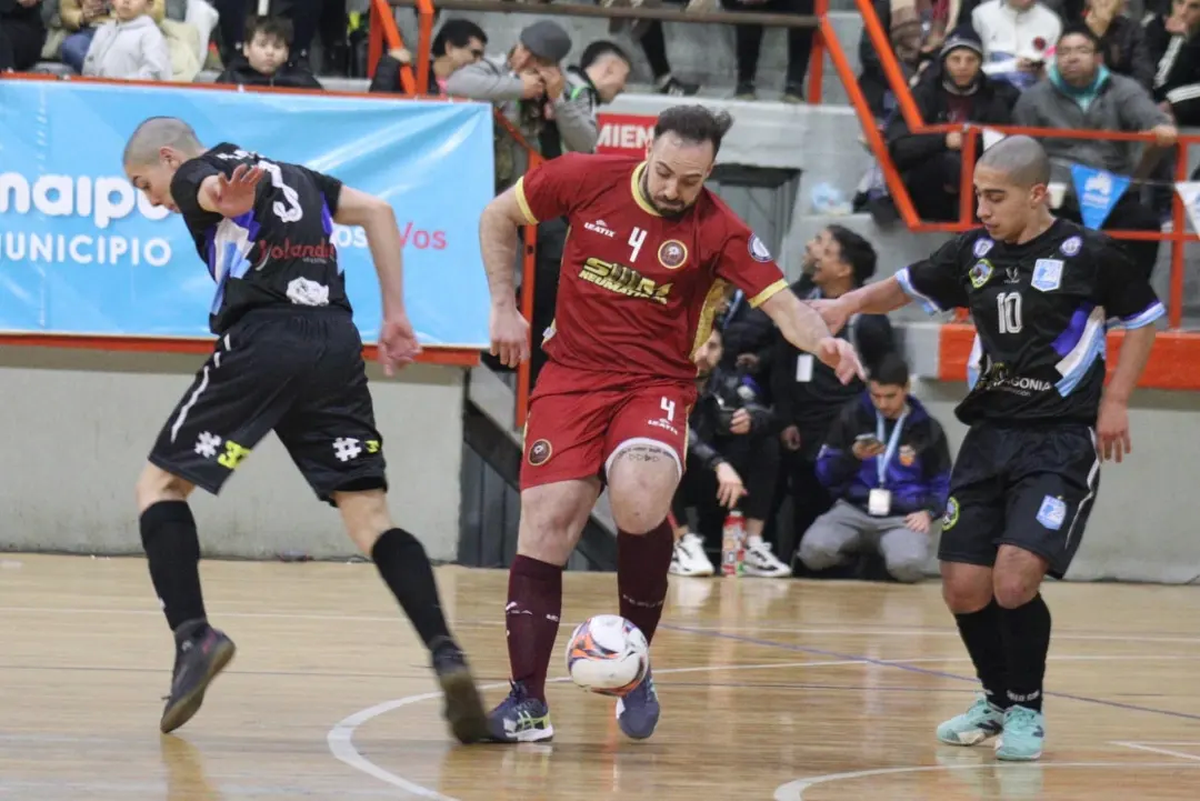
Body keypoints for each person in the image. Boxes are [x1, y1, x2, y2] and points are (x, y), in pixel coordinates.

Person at [479, 104, 864, 743]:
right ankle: (527, 701)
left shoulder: (720, 229)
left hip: (654, 384)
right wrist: (502, 306)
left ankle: (635, 667)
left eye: (691, 181)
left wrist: (822, 343)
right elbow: (498, 215)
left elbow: (785, 306)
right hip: (570, 376)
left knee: (638, 499)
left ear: (709, 171)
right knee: (546, 525)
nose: (672, 191)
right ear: (648, 152)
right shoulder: (583, 176)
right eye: (664, 174)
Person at [120, 117, 488, 743]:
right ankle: (446, 652)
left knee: (158, 487)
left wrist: (215, 198)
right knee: (369, 514)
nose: (151, 199)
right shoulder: (300, 177)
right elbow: (378, 211)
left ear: (165, 156)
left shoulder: (192, 172)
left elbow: (206, 189)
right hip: (335, 345)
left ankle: (194, 636)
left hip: (265, 340)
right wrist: (395, 315)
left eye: (142, 184)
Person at [815, 135, 1163, 761]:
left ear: (1036, 195)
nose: (983, 208)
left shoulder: (1089, 252)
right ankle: (994, 699)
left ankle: (1026, 709)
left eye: (996, 197)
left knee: (1013, 580)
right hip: (988, 439)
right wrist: (846, 303)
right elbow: (903, 285)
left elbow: (1143, 320)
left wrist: (1114, 403)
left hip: (1058, 443)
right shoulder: (974, 250)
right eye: (978, 195)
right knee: (962, 587)